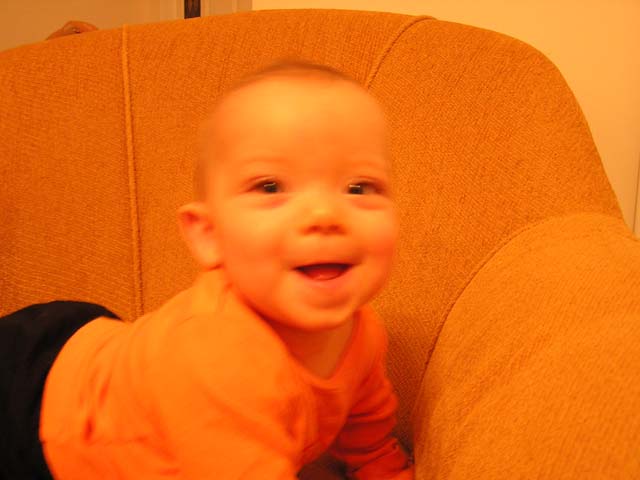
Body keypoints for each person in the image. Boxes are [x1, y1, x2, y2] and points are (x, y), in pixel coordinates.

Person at [1, 60, 413, 479]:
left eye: (359, 187)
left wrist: (384, 467)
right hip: (32, 403)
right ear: (209, 235)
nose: (325, 214)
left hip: (99, 348)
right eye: (270, 187)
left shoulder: (363, 332)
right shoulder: (219, 362)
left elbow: (369, 435)